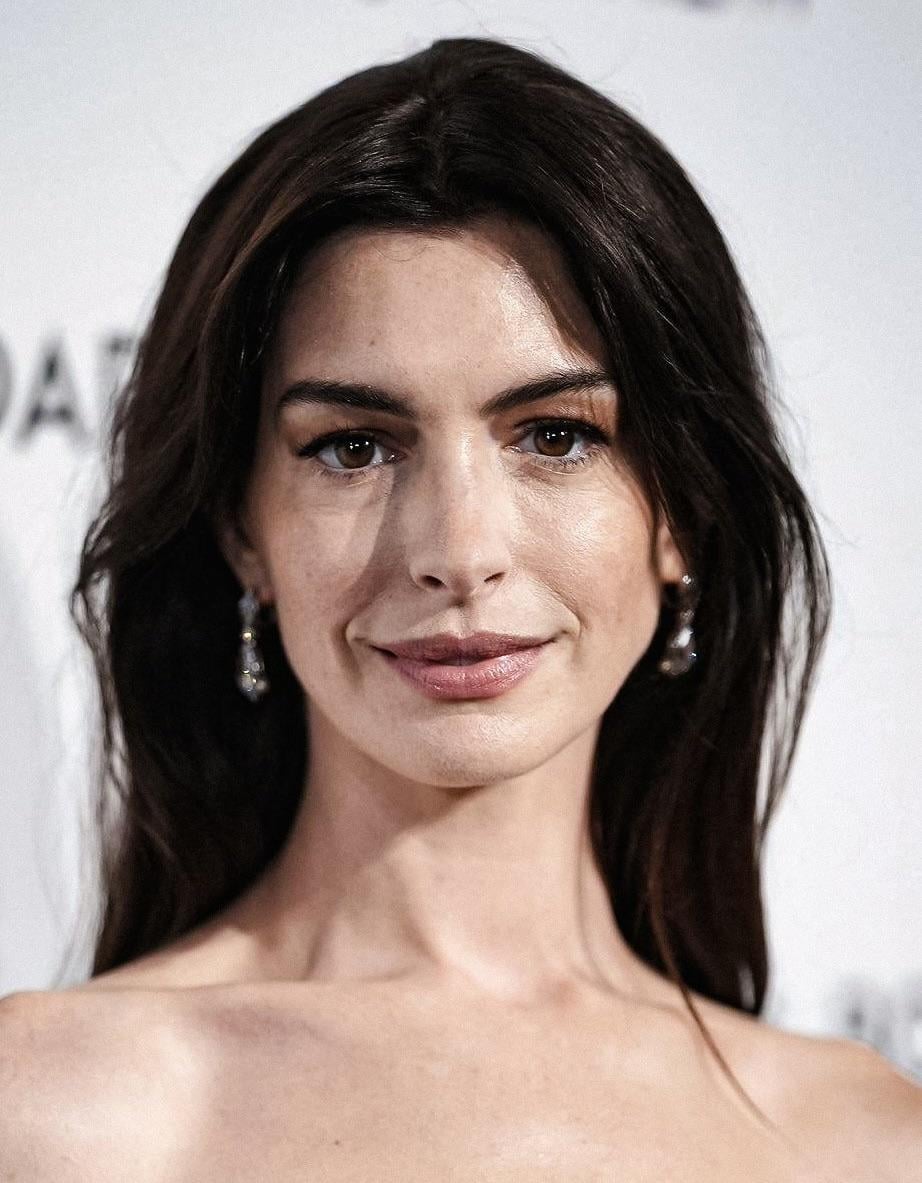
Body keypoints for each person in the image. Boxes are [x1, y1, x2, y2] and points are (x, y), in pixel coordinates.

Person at [1, 35, 919, 1181]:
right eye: (353, 447)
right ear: (243, 529)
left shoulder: (861, 1139)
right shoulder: (48, 1110)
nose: (458, 551)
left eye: (556, 436)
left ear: (682, 510)